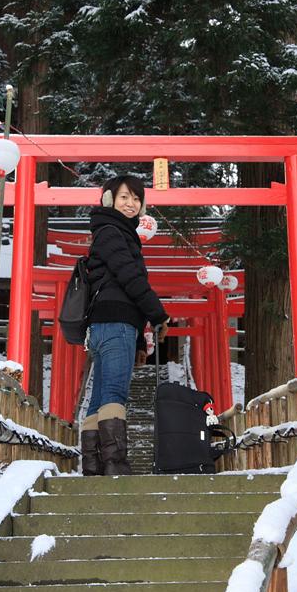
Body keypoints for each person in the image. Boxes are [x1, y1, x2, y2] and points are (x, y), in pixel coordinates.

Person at [81, 175, 170, 476]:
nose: (130, 203)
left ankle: (93, 465)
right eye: (123, 197)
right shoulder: (112, 232)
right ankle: (115, 464)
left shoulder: (109, 232)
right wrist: (159, 314)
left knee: (100, 394)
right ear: (109, 200)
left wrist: (139, 342)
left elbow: (119, 285)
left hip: (107, 324)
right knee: (115, 393)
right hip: (116, 323)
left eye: (135, 198)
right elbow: (130, 279)